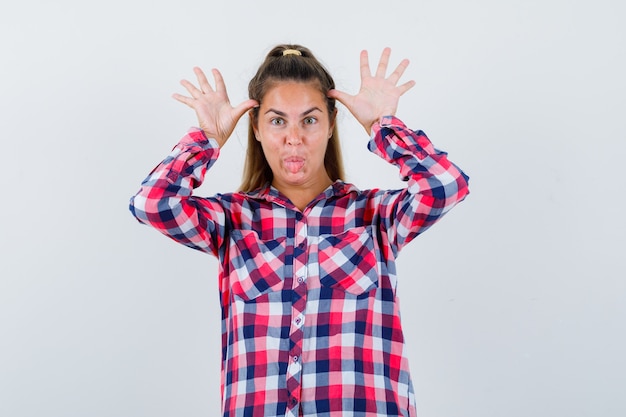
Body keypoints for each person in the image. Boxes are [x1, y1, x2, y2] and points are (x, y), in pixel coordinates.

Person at [129, 44, 469, 417]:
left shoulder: (375, 217)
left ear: (329, 124)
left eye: (309, 120)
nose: (294, 138)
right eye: (277, 121)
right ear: (256, 129)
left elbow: (445, 185)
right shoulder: (232, 220)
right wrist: (208, 138)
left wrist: (382, 127)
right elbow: (152, 204)